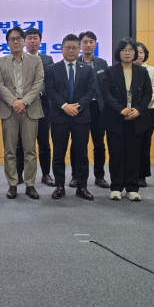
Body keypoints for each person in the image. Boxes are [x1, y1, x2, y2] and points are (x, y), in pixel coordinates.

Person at [0, 26, 44, 200]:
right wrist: (15, 102)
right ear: (7, 43)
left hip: (30, 109)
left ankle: (30, 184)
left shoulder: (35, 61)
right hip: (9, 110)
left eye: (18, 38)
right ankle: (13, 184)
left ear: (23, 41)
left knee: (30, 150)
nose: (15, 41)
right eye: (11, 39)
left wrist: (25, 102)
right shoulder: (0, 62)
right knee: (10, 151)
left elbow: (38, 83)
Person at [100, 38, 152, 201]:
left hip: (136, 119)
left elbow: (147, 93)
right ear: (118, 52)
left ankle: (132, 188)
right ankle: (116, 187)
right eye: (124, 49)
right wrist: (120, 108)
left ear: (135, 52)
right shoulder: (110, 71)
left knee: (133, 155)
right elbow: (106, 93)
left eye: (130, 49)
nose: (127, 52)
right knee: (116, 154)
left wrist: (139, 109)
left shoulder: (142, 71)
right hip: (115, 119)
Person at [45, 34, 97, 201]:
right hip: (59, 117)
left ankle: (82, 187)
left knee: (81, 153)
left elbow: (91, 90)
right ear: (61, 49)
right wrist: (64, 106)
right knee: (58, 154)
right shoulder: (52, 69)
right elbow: (50, 90)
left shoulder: (87, 69)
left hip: (81, 117)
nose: (71, 50)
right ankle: (59, 186)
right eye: (68, 47)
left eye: (74, 47)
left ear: (79, 49)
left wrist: (78, 106)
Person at [17, 27, 55, 187]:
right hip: (22, 108)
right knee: (21, 143)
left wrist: (36, 93)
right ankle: (18, 174)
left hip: (42, 106)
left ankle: (46, 174)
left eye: (35, 38)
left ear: (40, 41)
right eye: (29, 38)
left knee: (44, 142)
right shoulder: (18, 58)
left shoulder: (47, 60)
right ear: (24, 41)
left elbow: (50, 83)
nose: (32, 41)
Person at [72, 31, 109, 188]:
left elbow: (106, 87)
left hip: (98, 107)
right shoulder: (74, 62)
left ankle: (99, 176)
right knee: (78, 143)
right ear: (80, 45)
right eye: (85, 42)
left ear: (95, 44)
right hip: (80, 107)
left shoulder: (102, 63)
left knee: (99, 143)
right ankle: (76, 176)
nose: (88, 45)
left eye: (91, 42)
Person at [133, 42, 154, 187]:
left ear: (145, 54)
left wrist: (140, 107)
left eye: (141, 52)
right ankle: (128, 174)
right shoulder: (123, 70)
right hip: (128, 112)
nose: (138, 54)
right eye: (135, 51)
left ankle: (141, 175)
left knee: (144, 145)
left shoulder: (151, 70)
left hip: (147, 111)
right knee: (129, 145)